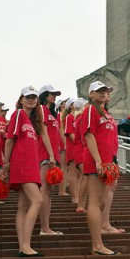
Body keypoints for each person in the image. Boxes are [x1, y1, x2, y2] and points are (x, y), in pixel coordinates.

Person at [3, 86, 43, 257]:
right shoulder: (18, 114)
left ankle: (23, 246)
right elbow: (9, 140)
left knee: (24, 206)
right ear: (21, 99)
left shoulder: (31, 121)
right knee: (38, 201)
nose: (31, 100)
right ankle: (26, 245)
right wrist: (6, 164)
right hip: (22, 165)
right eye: (27, 97)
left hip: (31, 165)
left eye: (34, 97)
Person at [81, 81, 120, 255]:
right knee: (96, 202)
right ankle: (97, 245)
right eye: (99, 91)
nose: (103, 93)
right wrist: (98, 161)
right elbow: (89, 135)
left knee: (102, 202)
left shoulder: (106, 114)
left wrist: (112, 162)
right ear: (91, 95)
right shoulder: (90, 110)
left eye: (105, 91)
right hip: (96, 162)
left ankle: (98, 243)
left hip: (107, 163)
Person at [37, 85, 61, 235]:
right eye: (52, 94)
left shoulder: (51, 112)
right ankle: (44, 228)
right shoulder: (41, 109)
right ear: (45, 95)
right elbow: (43, 132)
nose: (54, 96)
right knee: (45, 190)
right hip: (45, 153)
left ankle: (46, 227)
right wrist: (51, 154)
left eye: (55, 94)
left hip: (52, 153)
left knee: (49, 191)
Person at [101, 88, 125, 235]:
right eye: (104, 92)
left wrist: (114, 157)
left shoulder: (107, 114)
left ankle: (105, 223)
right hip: (102, 158)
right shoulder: (93, 112)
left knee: (111, 187)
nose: (107, 94)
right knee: (105, 190)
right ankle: (103, 225)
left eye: (108, 93)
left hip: (110, 156)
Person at [73, 98, 88, 213]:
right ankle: (81, 204)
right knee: (85, 176)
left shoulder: (78, 118)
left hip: (80, 149)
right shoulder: (82, 118)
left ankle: (82, 204)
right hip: (81, 150)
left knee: (85, 176)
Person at [63, 98, 80, 204]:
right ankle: (74, 196)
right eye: (74, 103)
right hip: (73, 147)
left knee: (79, 173)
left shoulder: (78, 117)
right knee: (73, 171)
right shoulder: (69, 118)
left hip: (79, 148)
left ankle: (78, 194)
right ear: (70, 106)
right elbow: (71, 134)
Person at [56, 98, 69, 196]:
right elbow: (60, 130)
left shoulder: (65, 116)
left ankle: (64, 188)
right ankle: (61, 190)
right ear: (60, 105)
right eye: (64, 103)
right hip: (63, 144)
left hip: (65, 143)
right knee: (63, 167)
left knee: (66, 167)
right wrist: (64, 143)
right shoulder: (60, 115)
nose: (66, 104)